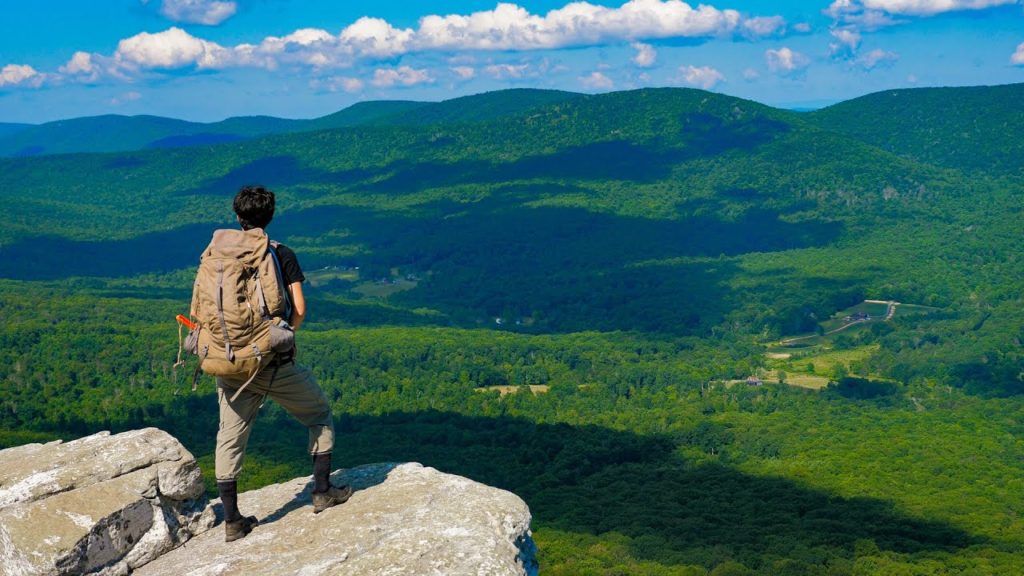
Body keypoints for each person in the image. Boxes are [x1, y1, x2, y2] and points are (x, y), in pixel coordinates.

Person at [215, 185, 351, 543]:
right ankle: (322, 492)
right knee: (319, 413)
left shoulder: (216, 254)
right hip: (273, 364)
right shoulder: (280, 254)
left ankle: (231, 520)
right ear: (270, 216)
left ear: (238, 217)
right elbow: (300, 308)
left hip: (230, 365)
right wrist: (280, 335)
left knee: (229, 439)